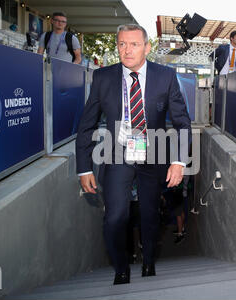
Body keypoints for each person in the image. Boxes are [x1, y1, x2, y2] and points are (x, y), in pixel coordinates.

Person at [76, 24, 191, 285]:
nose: (127, 50)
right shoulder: (103, 77)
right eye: (122, 44)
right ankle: (121, 268)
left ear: (147, 47)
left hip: (153, 156)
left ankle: (149, 261)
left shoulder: (166, 77)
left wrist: (178, 161)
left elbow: (182, 123)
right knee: (115, 216)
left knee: (150, 215)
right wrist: (84, 169)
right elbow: (86, 125)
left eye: (134, 44)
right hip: (118, 155)